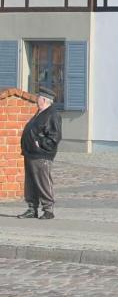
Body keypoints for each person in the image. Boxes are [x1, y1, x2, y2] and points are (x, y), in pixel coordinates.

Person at [18, 86, 62, 220]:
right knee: (30, 183)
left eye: (39, 98)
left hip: (41, 155)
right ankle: (32, 208)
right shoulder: (40, 112)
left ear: (44, 100)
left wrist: (41, 144)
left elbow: (55, 136)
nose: (37, 99)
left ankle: (48, 209)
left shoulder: (52, 114)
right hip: (30, 153)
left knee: (43, 182)